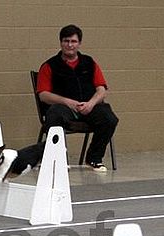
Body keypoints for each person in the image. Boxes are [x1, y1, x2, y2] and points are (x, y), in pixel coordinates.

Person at [36, 24, 118, 172]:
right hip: (64, 109)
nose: (70, 45)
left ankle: (94, 158)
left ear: (79, 43)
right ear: (61, 42)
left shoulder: (90, 63)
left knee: (109, 119)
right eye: (66, 41)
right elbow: (43, 95)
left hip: (89, 107)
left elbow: (101, 89)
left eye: (73, 41)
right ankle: (58, 159)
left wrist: (91, 104)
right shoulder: (49, 66)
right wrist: (67, 102)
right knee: (53, 116)